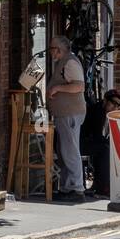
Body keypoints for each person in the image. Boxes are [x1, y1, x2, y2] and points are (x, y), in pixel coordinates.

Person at [47, 35, 86, 200]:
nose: (50, 52)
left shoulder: (70, 62)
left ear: (59, 50)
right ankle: (66, 188)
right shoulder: (62, 63)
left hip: (70, 113)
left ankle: (77, 189)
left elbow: (79, 86)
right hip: (63, 113)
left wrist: (57, 88)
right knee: (64, 152)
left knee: (70, 151)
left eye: (52, 49)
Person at [90, 89, 120, 198]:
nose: (115, 108)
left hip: (97, 144)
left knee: (111, 148)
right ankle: (103, 188)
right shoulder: (96, 111)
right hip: (84, 142)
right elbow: (95, 135)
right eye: (113, 103)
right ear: (105, 101)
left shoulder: (113, 115)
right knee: (105, 150)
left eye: (118, 105)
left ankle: (109, 185)